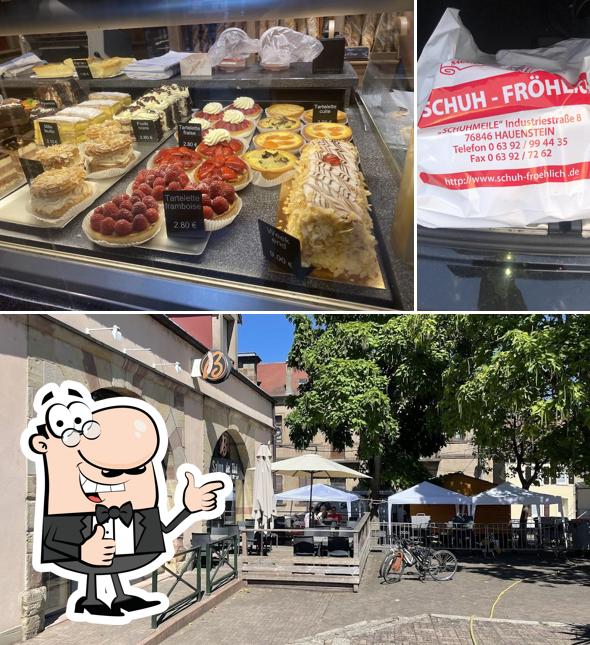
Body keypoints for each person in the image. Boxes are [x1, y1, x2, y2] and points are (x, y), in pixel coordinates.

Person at [21, 381, 231, 621]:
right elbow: (52, 540)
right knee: (96, 558)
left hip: (127, 553)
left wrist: (188, 508)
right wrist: (80, 550)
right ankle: (91, 598)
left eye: (136, 469)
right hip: (84, 556)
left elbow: (163, 529)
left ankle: (120, 595)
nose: (118, 476)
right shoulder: (66, 513)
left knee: (109, 559)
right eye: (109, 471)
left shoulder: (138, 511)